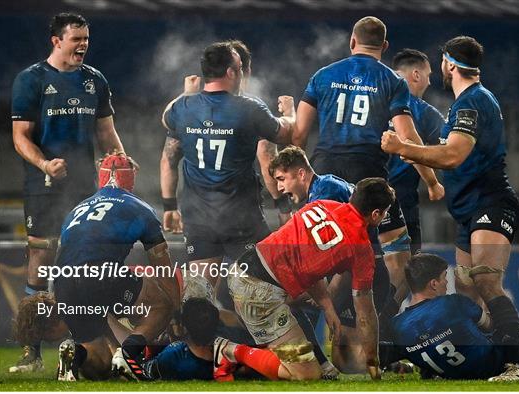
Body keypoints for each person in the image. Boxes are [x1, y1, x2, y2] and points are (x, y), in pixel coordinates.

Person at [381, 36, 519, 381]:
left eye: (441, 66)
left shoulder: (472, 102)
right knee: (466, 288)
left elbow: (453, 154)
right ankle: (481, 361)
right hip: (469, 211)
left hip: (491, 203)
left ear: (449, 64)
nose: (439, 73)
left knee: (485, 280)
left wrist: (403, 146)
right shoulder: (467, 103)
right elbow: (449, 149)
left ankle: (516, 364)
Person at [293, 16, 444, 308]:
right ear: (384, 46)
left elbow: (299, 134)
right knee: (397, 253)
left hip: (323, 171)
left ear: (352, 41)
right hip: (367, 178)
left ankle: (313, 320)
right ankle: (383, 323)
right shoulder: (392, 81)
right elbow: (407, 138)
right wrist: (432, 181)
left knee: (321, 252)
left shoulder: (323, 75)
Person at [10, 12, 125, 372]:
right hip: (44, 187)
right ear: (56, 41)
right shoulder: (31, 80)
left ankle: (78, 347)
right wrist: (45, 165)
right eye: (76, 39)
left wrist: (121, 162)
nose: (83, 45)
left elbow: (107, 134)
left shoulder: (95, 80)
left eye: (86, 39)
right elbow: (20, 137)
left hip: (85, 190)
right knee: (40, 263)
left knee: (80, 268)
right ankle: (31, 352)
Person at [13, 153, 179, 381]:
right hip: (99, 274)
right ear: (131, 179)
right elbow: (163, 266)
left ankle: (75, 354)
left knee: (99, 367)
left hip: (62, 282)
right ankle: (130, 353)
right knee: (160, 304)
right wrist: (175, 308)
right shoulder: (139, 207)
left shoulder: (77, 209)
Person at [215, 177, 396, 381]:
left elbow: (308, 264)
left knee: (298, 324)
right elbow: (365, 315)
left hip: (244, 270)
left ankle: (308, 361)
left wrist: (327, 306)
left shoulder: (321, 205)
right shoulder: (361, 251)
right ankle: (229, 350)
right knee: (307, 376)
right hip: (261, 295)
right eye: (386, 212)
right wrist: (372, 362)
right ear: (376, 214)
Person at [159, 41, 295, 286]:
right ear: (233, 72)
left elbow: (168, 153)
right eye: (241, 67)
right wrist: (290, 113)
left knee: (201, 296)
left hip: (198, 218)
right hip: (241, 218)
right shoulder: (249, 109)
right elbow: (275, 146)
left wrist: (169, 205)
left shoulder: (184, 107)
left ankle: (198, 321)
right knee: (263, 292)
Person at [269, 145, 393, 373]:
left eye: (281, 178)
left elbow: (344, 251)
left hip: (361, 273)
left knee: (286, 304)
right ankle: (388, 360)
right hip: (357, 271)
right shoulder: (324, 186)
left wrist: (327, 297)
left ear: (301, 174)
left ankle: (319, 365)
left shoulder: (325, 193)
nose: (279, 187)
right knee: (345, 361)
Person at [388, 253, 519, 381]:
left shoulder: (396, 325)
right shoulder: (452, 303)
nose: (446, 283)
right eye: (444, 277)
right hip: (495, 364)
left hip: (450, 372)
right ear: (433, 284)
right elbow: (492, 326)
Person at [388, 49, 446, 255]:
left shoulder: (372, 100)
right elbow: (451, 150)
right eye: (428, 75)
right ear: (415, 75)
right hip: (402, 201)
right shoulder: (424, 112)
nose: (429, 82)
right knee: (409, 268)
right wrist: (433, 183)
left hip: (360, 196)